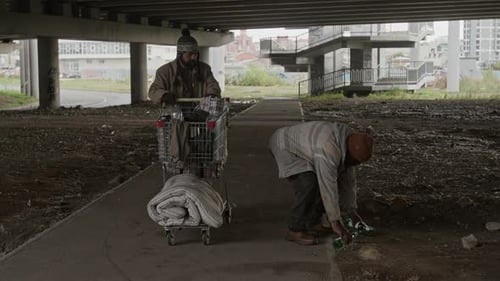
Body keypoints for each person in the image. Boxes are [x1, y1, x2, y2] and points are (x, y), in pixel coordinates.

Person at [269, 121, 374, 246]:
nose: (355, 166)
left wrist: (352, 211)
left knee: (316, 183)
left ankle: (313, 223)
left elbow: (348, 182)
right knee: (308, 185)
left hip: (305, 146)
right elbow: (328, 186)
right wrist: (335, 223)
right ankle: (294, 229)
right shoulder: (329, 148)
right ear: (349, 155)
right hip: (284, 146)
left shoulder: (349, 141)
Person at [148, 28, 221, 106]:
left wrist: (212, 94)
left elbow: (213, 85)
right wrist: (163, 95)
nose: (194, 57)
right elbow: (153, 91)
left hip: (199, 111)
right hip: (173, 112)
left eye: (196, 54)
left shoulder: (205, 69)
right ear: (180, 54)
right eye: (190, 54)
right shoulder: (164, 71)